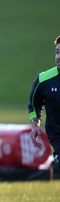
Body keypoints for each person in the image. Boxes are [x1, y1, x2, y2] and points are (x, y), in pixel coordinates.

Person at [29, 35, 60, 170]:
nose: (58, 57)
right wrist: (35, 124)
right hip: (57, 136)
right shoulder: (44, 79)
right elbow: (34, 104)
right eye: (57, 52)